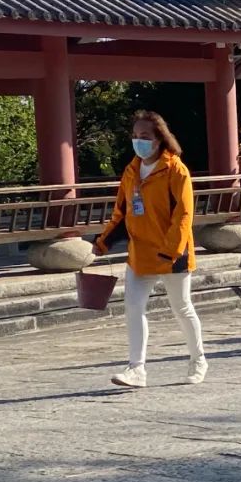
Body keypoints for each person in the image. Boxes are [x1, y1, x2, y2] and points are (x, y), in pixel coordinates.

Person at [95, 110, 207, 388]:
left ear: (159, 139)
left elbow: (184, 215)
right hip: (140, 253)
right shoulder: (131, 171)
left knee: (181, 307)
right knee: (133, 307)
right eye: (135, 136)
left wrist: (171, 250)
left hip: (172, 253)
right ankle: (136, 369)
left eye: (144, 136)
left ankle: (198, 359)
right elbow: (121, 212)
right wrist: (103, 242)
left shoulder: (176, 170)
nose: (139, 141)